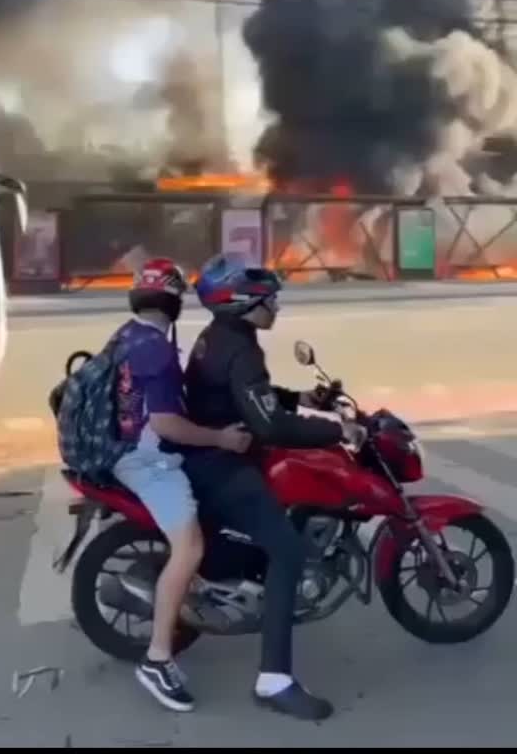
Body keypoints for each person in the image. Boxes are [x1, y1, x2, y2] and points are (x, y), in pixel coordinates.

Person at [182, 254, 358, 723]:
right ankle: (274, 679)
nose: (275, 305)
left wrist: (302, 398)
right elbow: (268, 424)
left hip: (211, 456)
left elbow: (248, 393)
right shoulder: (240, 347)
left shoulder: (222, 337)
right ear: (243, 302)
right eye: (268, 298)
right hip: (221, 464)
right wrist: (335, 431)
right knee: (288, 551)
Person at [112, 258, 251, 713]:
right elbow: (168, 423)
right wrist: (221, 438)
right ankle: (157, 659)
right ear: (173, 302)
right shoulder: (156, 349)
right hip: (147, 461)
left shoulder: (127, 334)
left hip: (127, 447)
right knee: (188, 547)